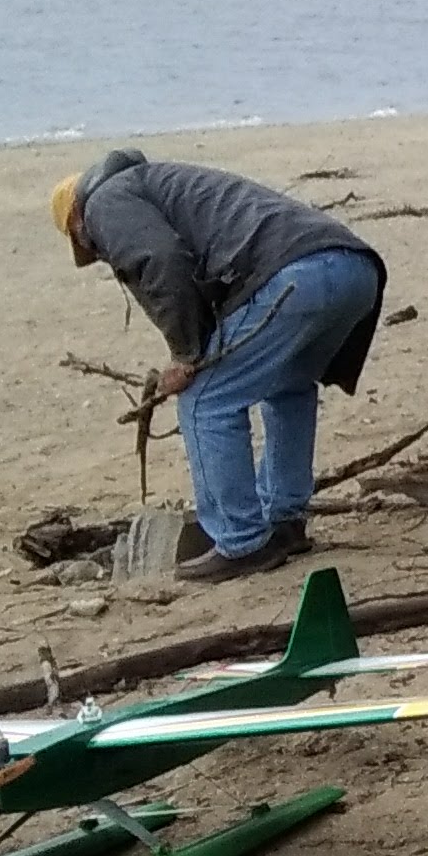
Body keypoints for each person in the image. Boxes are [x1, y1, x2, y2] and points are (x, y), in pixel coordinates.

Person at [52, 150, 388, 587]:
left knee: (205, 400)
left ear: (77, 221)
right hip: (355, 269)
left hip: (295, 278)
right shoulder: (164, 184)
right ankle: (285, 520)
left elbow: (161, 261)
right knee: (288, 387)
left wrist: (186, 356)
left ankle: (241, 540)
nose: (99, 252)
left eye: (92, 248)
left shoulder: (103, 202)